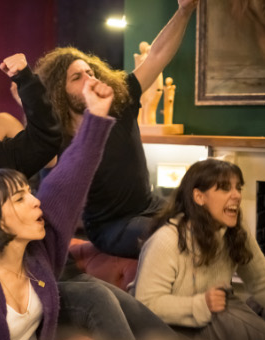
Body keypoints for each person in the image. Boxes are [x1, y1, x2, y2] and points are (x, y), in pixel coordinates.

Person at [0, 78, 116, 340]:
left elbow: (68, 179)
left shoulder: (37, 254)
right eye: (19, 199)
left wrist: (95, 115)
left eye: (29, 192)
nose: (35, 201)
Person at [31, 0, 197, 259]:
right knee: (175, 236)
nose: (90, 79)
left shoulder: (120, 102)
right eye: (77, 77)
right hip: (111, 228)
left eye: (90, 71)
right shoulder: (56, 141)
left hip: (151, 207)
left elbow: (156, 55)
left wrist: (184, 11)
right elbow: (54, 203)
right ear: (58, 94)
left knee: (210, 222)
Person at [133, 159, 265, 339]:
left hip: (213, 318)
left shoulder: (236, 232)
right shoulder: (167, 240)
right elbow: (145, 305)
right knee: (231, 315)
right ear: (199, 197)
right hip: (167, 330)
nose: (236, 195)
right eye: (224, 188)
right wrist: (201, 304)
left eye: (238, 188)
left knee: (261, 311)